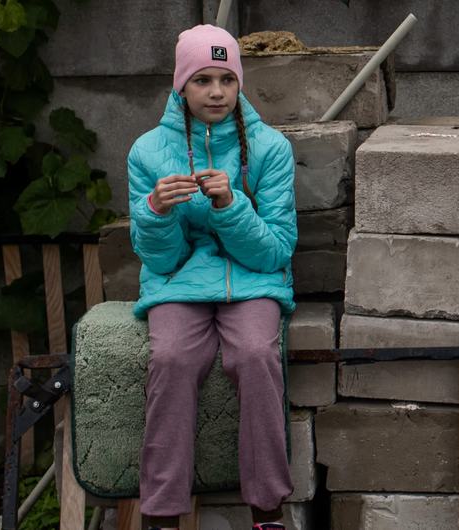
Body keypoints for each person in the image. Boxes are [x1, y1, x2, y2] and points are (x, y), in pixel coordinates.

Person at [126, 24, 297, 530]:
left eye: (227, 78)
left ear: (241, 82)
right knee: (172, 357)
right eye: (203, 79)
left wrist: (229, 205)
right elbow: (160, 262)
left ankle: (268, 513)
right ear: (181, 85)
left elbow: (275, 252)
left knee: (255, 354)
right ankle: (160, 516)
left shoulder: (270, 148)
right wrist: (155, 211)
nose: (217, 91)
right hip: (178, 282)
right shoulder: (147, 152)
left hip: (252, 282)